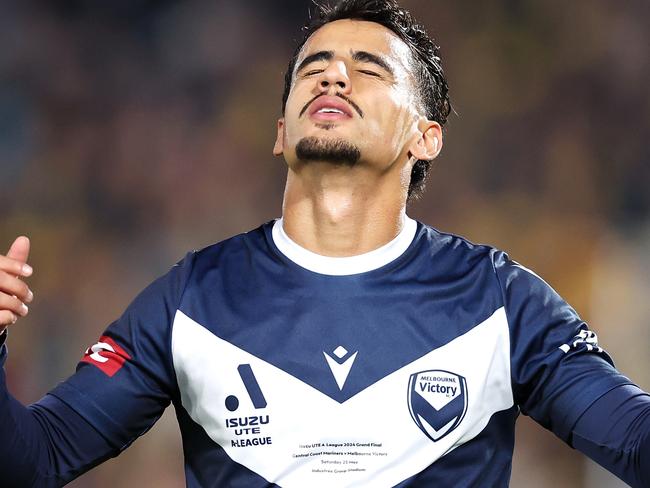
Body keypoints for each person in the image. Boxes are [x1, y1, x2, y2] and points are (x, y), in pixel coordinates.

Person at [1, 0, 648, 486]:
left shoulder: (502, 300)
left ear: (426, 137)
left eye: (368, 70)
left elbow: (632, 440)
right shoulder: (190, 298)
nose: (333, 78)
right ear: (281, 130)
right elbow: (35, 459)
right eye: (313, 68)